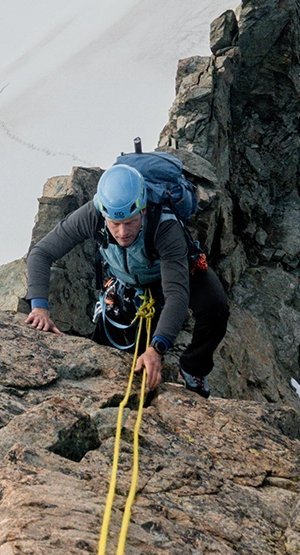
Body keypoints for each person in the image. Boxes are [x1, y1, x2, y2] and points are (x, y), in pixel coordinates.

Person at [23, 163, 229, 396]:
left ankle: (194, 369)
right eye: (115, 224)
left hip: (177, 270)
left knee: (216, 309)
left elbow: (177, 295)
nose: (122, 233)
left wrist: (157, 348)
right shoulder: (93, 215)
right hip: (129, 279)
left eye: (130, 222)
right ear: (103, 214)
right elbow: (42, 253)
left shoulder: (164, 227)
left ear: (142, 210)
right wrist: (39, 307)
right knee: (126, 361)